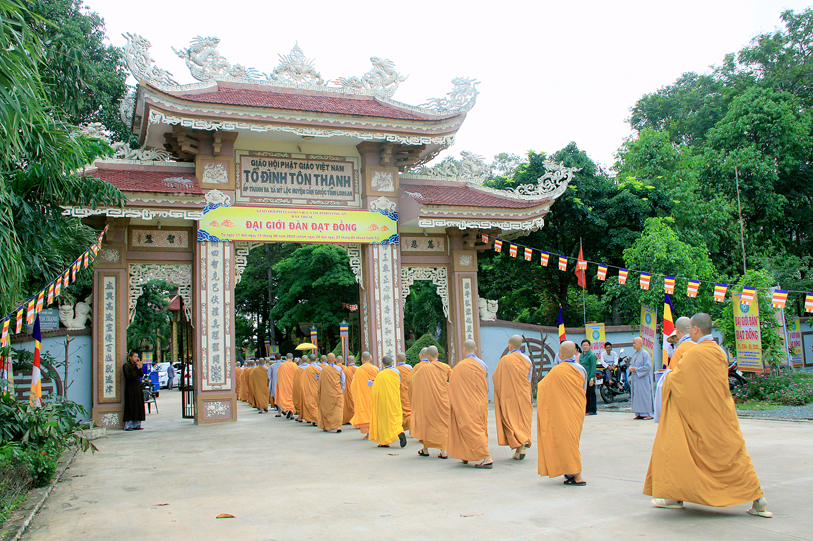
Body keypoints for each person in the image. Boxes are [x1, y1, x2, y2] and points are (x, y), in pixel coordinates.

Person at [645, 313, 771, 518]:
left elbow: (676, 381)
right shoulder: (719, 351)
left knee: (683, 450)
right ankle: (758, 500)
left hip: (701, 416)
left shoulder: (694, 354)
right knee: (734, 456)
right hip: (723, 414)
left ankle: (675, 495)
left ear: (695, 329)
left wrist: (666, 377)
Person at [536, 341, 588, 485]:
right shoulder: (581, 369)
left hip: (562, 411)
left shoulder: (557, 371)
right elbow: (583, 390)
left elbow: (543, 387)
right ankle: (569, 471)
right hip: (577, 409)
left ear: (560, 354)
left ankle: (578, 476)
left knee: (567, 442)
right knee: (572, 441)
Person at [448, 340, 492, 468]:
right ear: (476, 349)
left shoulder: (459, 367)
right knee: (479, 426)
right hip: (481, 401)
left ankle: (487, 458)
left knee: (470, 427)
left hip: (466, 403)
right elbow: (487, 386)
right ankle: (466, 454)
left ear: (464, 349)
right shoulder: (483, 365)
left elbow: (452, 386)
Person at [492, 335, 533, 460]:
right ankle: (521, 447)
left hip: (510, 396)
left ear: (510, 346)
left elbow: (496, 377)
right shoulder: (527, 360)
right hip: (524, 395)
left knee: (511, 420)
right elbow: (529, 378)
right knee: (523, 420)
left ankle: (521, 441)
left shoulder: (505, 360)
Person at [410, 345, 451, 458]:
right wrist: (446, 385)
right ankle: (443, 450)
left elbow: (413, 380)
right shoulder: (446, 367)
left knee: (427, 423)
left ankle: (425, 449)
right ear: (438, 355)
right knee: (443, 424)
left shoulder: (423, 369)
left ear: (428, 356)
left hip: (428, 401)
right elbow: (453, 380)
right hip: (443, 401)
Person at [369, 355, 407, 448]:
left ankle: (384, 442)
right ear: (392, 363)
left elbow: (375, 389)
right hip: (394, 398)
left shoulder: (380, 375)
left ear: (382, 364)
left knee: (384, 419)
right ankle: (399, 431)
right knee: (395, 416)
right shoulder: (397, 372)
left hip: (384, 400)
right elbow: (399, 383)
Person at [350, 352, 379, 438]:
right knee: (374, 412)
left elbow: (353, 385)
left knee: (365, 412)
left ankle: (369, 433)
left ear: (362, 359)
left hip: (363, 395)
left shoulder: (359, 370)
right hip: (374, 394)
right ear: (370, 358)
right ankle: (375, 432)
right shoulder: (375, 369)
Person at [317, 353, 345, 433]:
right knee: (338, 409)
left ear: (327, 360)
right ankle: (338, 426)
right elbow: (343, 380)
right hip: (337, 392)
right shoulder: (339, 369)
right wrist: (341, 390)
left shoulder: (324, 370)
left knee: (327, 409)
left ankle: (327, 426)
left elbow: (320, 382)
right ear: (335, 360)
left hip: (327, 393)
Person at [629, 337, 653, 420]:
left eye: (635, 343)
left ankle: (648, 413)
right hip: (636, 378)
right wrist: (631, 368)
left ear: (640, 343)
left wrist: (637, 369)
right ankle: (639, 413)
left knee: (644, 395)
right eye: (633, 343)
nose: (633, 345)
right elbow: (631, 364)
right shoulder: (635, 354)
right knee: (637, 395)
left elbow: (648, 366)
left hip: (643, 378)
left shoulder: (645, 354)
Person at [123, 351, 146, 431]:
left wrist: (139, 368)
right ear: (130, 357)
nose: (136, 358)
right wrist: (135, 368)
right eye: (135, 357)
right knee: (130, 406)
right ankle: (128, 425)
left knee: (138, 405)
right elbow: (129, 376)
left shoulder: (137, 365)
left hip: (137, 388)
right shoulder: (126, 365)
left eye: (137, 356)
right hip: (130, 388)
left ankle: (137, 424)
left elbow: (141, 375)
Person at [302, 356, 322, 425]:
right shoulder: (320, 368)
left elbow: (303, 380)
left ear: (309, 360)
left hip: (310, 388)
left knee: (311, 403)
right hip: (319, 388)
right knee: (318, 404)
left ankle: (315, 419)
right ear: (316, 360)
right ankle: (318, 419)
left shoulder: (307, 369)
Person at [395, 352, 412, 432]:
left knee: (401, 410)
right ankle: (411, 427)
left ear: (397, 360)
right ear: (405, 359)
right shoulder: (410, 368)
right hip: (409, 392)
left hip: (401, 392)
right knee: (410, 410)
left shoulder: (396, 370)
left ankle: (401, 427)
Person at [580, 339, 597, 415]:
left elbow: (593, 368)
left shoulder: (591, 355)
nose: (585, 347)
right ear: (581, 346)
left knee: (591, 394)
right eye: (584, 345)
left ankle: (592, 410)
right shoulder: (581, 355)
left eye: (587, 345)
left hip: (589, 377)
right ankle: (586, 409)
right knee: (585, 394)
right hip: (583, 378)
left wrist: (592, 378)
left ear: (589, 346)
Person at [277, 354, 297, 418]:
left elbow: (278, 374)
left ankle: (288, 409)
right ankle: (292, 414)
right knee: (292, 398)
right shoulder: (294, 365)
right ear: (292, 358)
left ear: (285, 358)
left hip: (285, 384)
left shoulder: (282, 365)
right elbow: (297, 374)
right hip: (293, 384)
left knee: (286, 397)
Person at [291, 355, 309, 422]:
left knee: (300, 401)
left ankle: (300, 416)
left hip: (300, 387)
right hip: (309, 387)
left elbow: (296, 381)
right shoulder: (312, 368)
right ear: (308, 360)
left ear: (301, 361)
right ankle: (310, 417)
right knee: (309, 401)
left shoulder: (298, 369)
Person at [341, 355, 357, 425]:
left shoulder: (345, 370)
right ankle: (356, 419)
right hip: (356, 390)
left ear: (347, 362)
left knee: (348, 404)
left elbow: (342, 381)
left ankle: (348, 418)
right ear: (355, 361)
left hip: (348, 390)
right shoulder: (359, 369)